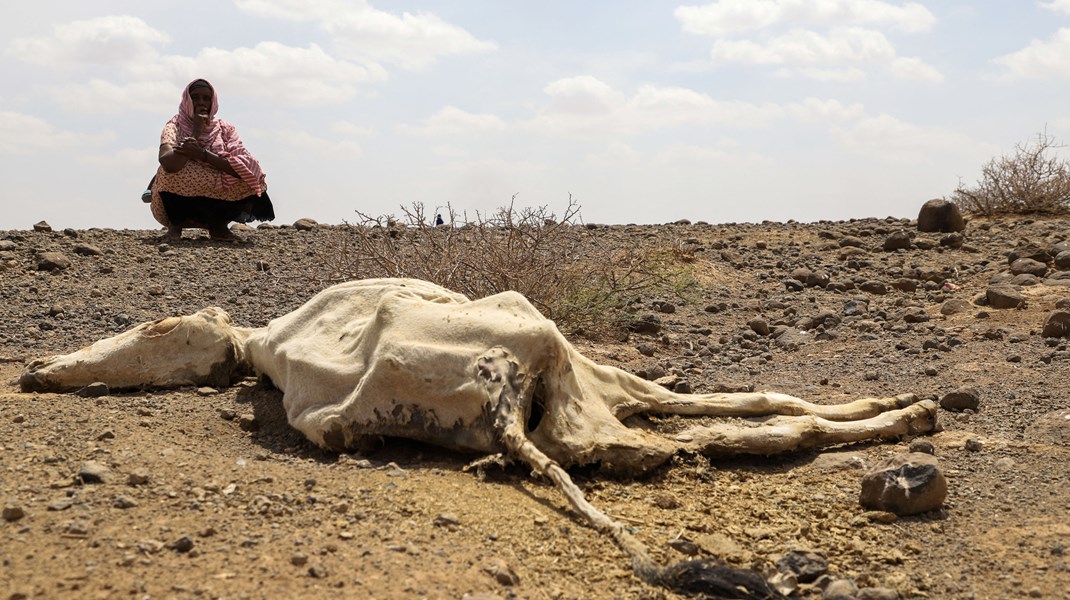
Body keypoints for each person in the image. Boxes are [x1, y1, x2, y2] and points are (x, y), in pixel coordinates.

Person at [145, 79, 274, 240]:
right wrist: (196, 132)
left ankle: (219, 227)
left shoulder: (225, 129)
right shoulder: (174, 126)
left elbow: (244, 162)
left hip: (217, 183)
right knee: (168, 174)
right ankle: (175, 226)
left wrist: (202, 155)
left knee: (250, 177)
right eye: (195, 98)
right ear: (187, 100)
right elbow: (169, 165)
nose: (201, 103)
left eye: (206, 98)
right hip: (180, 191)